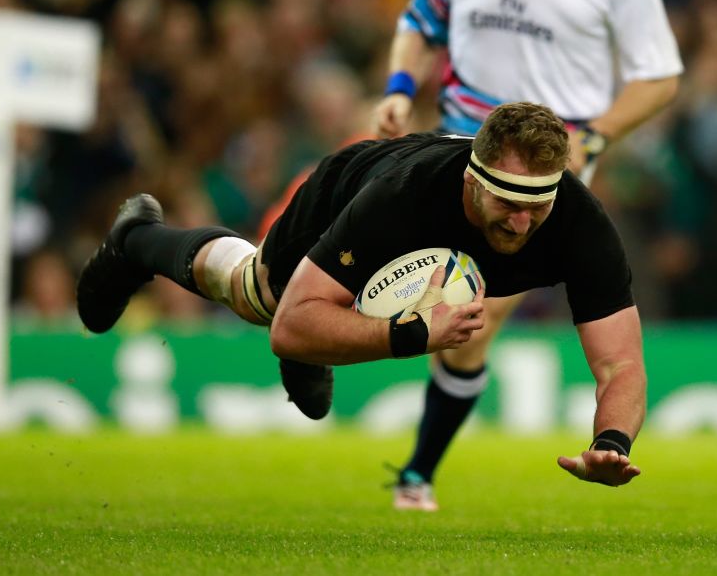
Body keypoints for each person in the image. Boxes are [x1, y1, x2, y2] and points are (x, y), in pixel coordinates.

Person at [372, 0, 680, 508]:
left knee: (464, 323)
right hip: (449, 153)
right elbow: (419, 21)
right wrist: (396, 85)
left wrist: (597, 135)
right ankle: (323, 370)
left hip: (539, 183)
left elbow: (661, 75)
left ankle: (417, 472)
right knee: (370, 270)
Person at [77, 102, 645, 492]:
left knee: (310, 325)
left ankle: (317, 351)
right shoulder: (400, 200)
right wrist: (411, 336)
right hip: (347, 189)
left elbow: (620, 363)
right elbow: (289, 328)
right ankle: (135, 240)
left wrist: (612, 442)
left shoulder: (580, 224)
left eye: (536, 207)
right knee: (259, 298)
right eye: (507, 203)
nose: (522, 224)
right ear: (472, 181)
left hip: (410, 237)